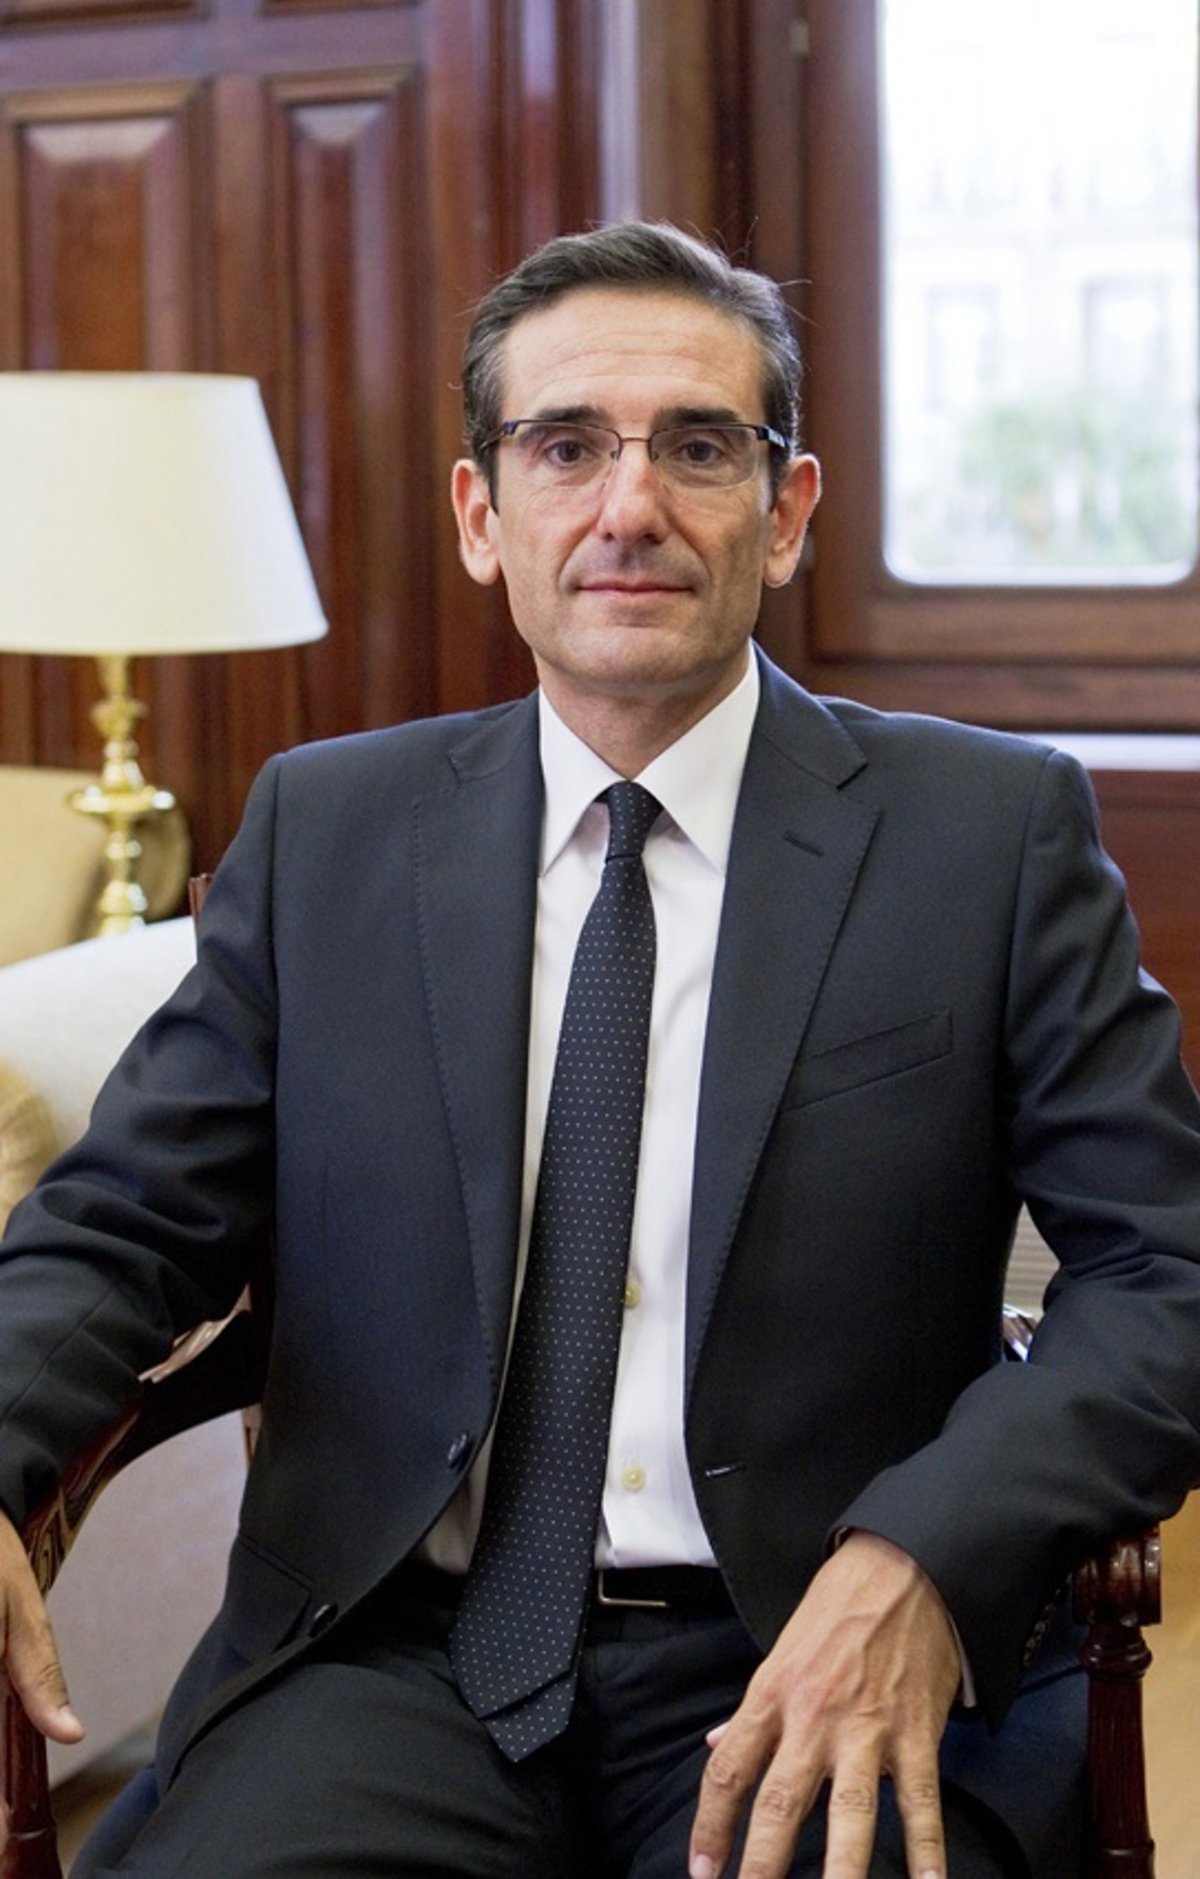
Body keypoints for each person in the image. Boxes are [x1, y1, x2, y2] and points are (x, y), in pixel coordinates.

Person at [1, 221, 1199, 1879]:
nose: (630, 506)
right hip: (388, 1652)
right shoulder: (327, 832)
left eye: (698, 447)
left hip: (820, 1633)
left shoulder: (987, 839)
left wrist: (924, 1557)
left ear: (787, 512)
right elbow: (125, 1220)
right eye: (566, 446)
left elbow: (1166, 1271)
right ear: (481, 515)